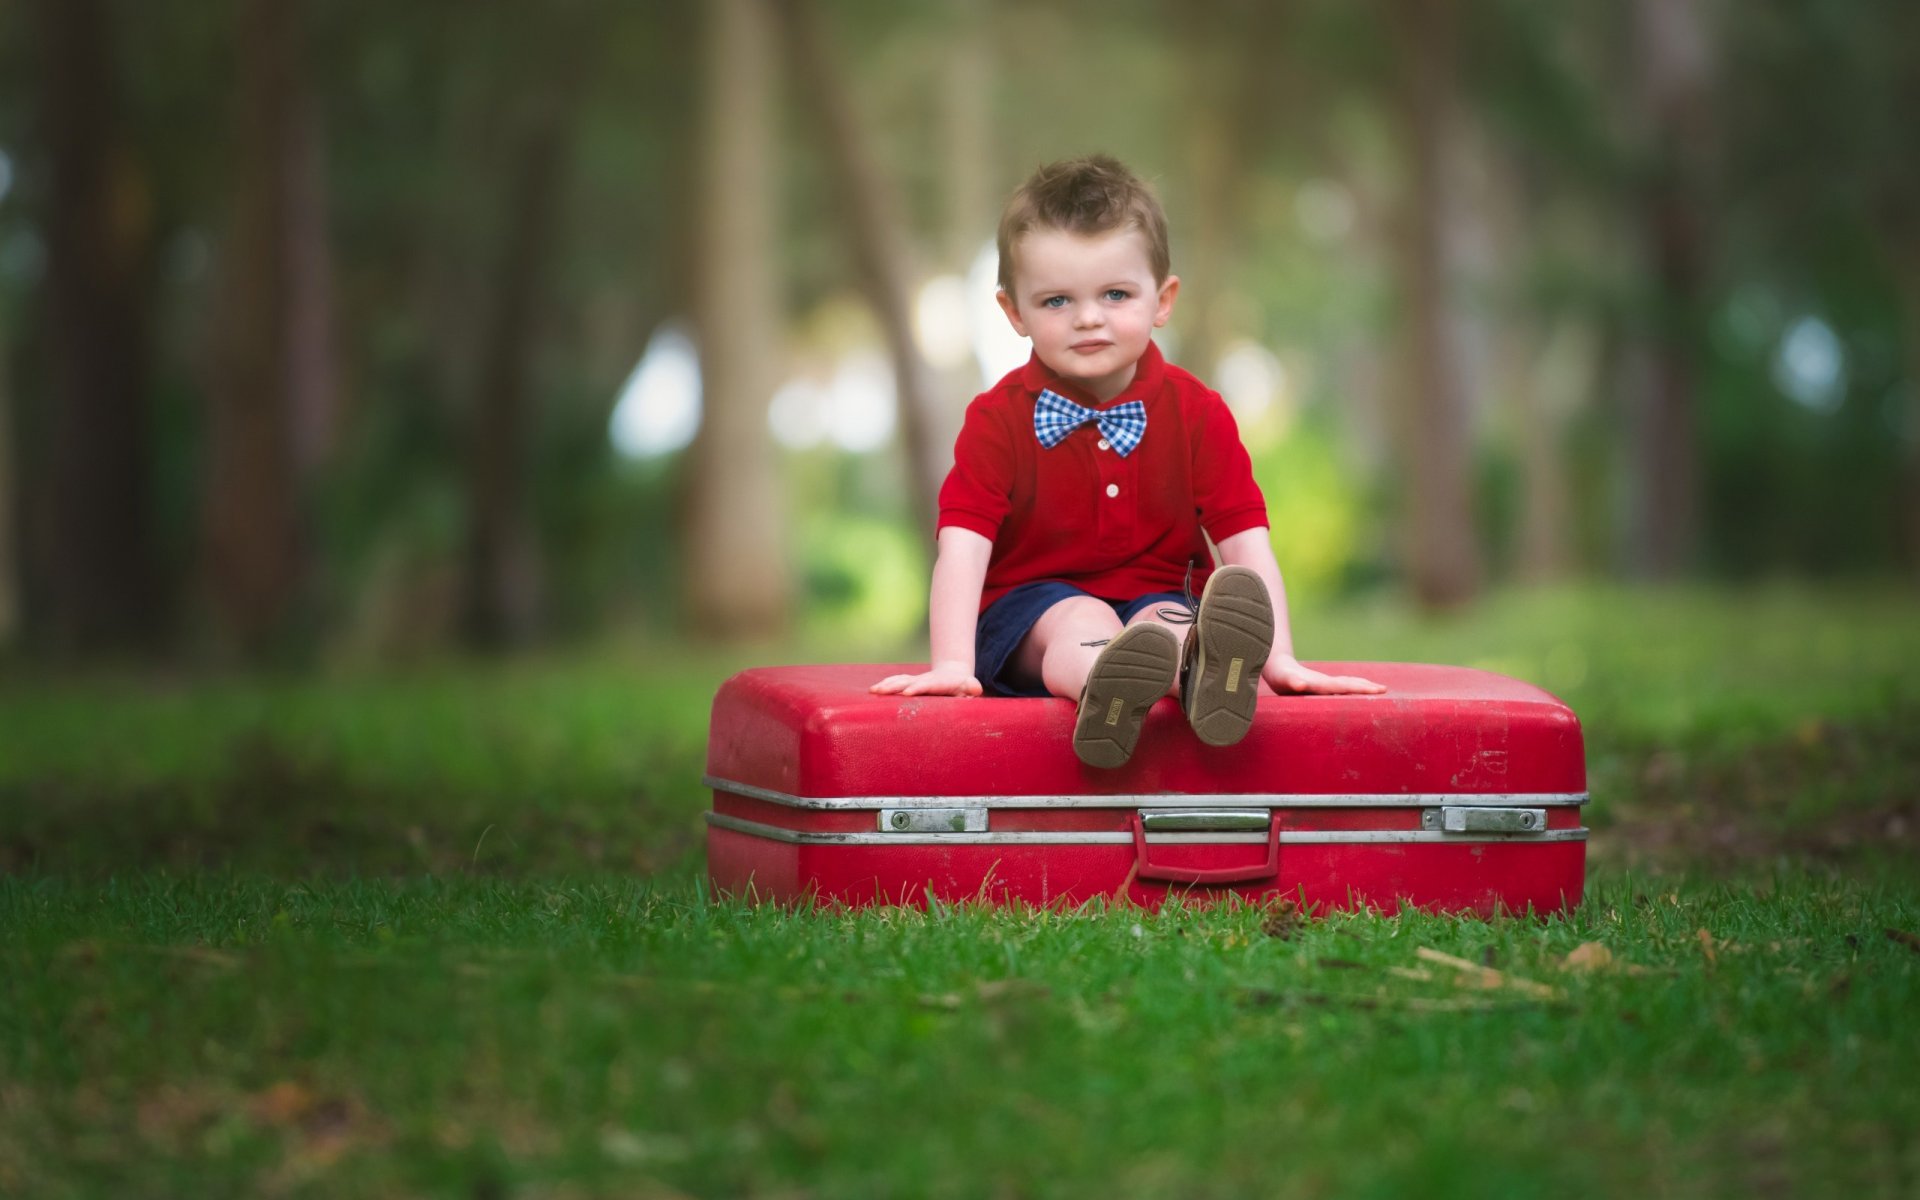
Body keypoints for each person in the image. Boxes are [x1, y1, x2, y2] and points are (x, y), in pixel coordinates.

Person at [872, 155, 1382, 767]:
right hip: (1033, 610)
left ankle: (1198, 676)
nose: (1089, 317)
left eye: (1115, 294)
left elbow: (1246, 545)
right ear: (1014, 313)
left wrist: (1280, 661)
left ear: (1162, 299)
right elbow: (963, 547)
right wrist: (953, 664)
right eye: (1057, 300)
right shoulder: (997, 419)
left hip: (1159, 594)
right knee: (1077, 620)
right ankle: (1105, 684)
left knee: (1172, 624)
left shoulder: (1198, 412)